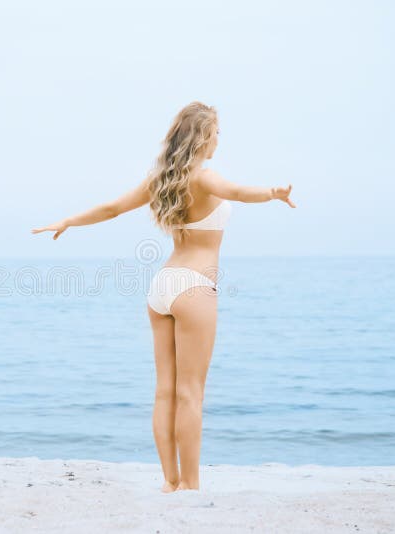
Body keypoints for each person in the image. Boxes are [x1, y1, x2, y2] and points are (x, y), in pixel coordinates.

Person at [31, 101, 296, 493]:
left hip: (163, 285)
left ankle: (170, 482)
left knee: (165, 391)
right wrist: (272, 193)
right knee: (191, 393)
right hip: (193, 286)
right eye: (217, 132)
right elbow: (238, 191)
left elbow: (111, 208)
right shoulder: (205, 178)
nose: (219, 139)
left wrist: (69, 220)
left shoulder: (161, 179)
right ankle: (189, 485)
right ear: (204, 136)